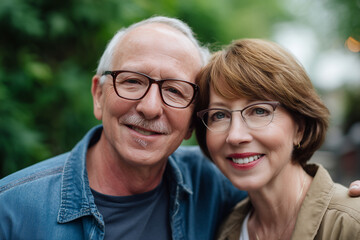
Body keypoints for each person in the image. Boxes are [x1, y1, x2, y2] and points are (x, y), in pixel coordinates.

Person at [0, 16, 247, 240]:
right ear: (98, 95)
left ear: (192, 122)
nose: (150, 108)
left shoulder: (216, 183)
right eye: (132, 81)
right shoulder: (11, 210)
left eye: (174, 90)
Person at [194, 38, 360, 239]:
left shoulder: (350, 225)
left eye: (259, 111)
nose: (235, 136)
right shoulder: (226, 230)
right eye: (219, 115)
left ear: (300, 127)